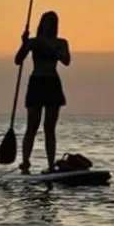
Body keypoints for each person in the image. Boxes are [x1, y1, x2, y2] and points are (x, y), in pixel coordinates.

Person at [14, 10, 70, 174]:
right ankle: (25, 162)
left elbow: (67, 61)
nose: (51, 24)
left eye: (54, 21)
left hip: (52, 83)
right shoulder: (33, 42)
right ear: (42, 23)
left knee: (49, 127)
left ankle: (51, 165)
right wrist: (24, 43)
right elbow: (18, 60)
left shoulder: (61, 42)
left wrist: (54, 51)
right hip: (37, 83)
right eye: (48, 20)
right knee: (32, 125)